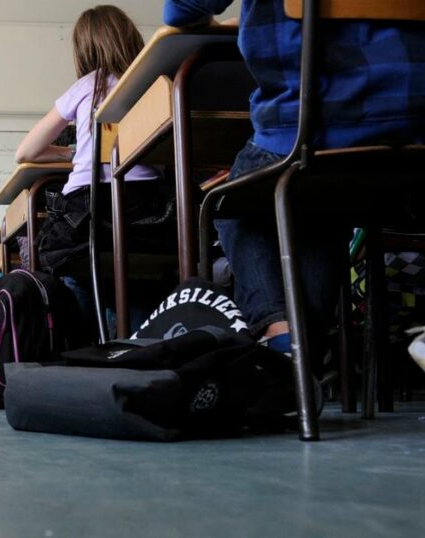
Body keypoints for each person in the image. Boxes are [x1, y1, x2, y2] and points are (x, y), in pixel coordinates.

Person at [163, 1, 425, 361]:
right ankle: (303, 354)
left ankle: (279, 335)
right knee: (322, 210)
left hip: (307, 132)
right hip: (411, 141)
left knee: (230, 202)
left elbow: (181, 9)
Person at [15, 5, 166, 342]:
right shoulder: (155, 80)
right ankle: (144, 349)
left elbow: (24, 152)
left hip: (89, 210)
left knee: (74, 267)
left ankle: (82, 351)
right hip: (149, 212)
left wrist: (72, 152)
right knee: (142, 272)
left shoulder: (89, 85)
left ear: (84, 48)